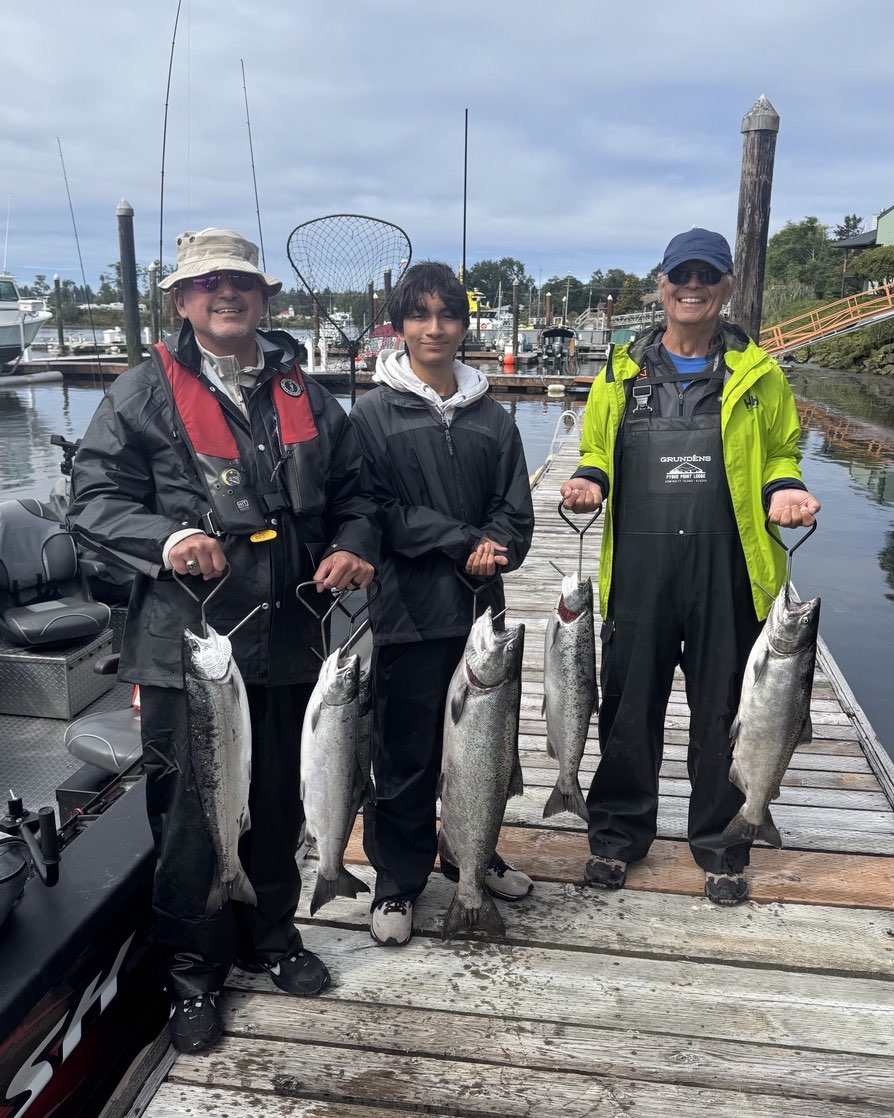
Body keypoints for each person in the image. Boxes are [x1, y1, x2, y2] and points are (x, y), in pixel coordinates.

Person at [68, 228, 379, 1052]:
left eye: (240, 281)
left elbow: (358, 496)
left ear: (264, 297)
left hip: (293, 640)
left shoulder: (309, 395)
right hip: (190, 647)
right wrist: (169, 540)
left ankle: (272, 936)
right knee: (191, 820)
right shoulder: (140, 393)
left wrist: (354, 544)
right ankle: (192, 974)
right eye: (207, 284)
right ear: (182, 301)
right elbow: (92, 503)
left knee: (279, 803)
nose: (226, 294)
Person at [559, 228, 821, 906]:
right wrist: (588, 480)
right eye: (681, 275)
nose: (693, 286)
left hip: (727, 571)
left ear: (727, 287)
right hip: (638, 573)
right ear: (662, 286)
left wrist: (785, 488)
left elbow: (782, 451)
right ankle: (617, 836)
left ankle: (724, 842)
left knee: (724, 715)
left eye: (707, 275)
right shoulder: (618, 375)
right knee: (627, 712)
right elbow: (595, 450)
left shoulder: (760, 376)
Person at [349, 262, 535, 946]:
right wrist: (463, 541)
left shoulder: (494, 418)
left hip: (481, 614)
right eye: (420, 315)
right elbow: (374, 511)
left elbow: (515, 509)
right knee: (405, 758)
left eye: (448, 315)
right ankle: (397, 879)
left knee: (482, 754)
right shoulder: (370, 415)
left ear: (464, 324)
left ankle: (469, 854)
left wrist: (497, 546)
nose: (435, 328)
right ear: (399, 326)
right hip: (407, 615)